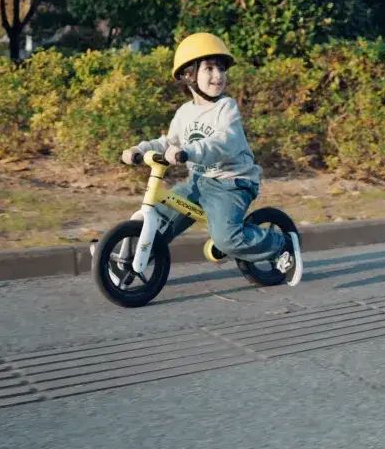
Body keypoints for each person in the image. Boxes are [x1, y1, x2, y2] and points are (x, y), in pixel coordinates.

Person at [122, 33, 303, 285]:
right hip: (199, 180)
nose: (218, 75)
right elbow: (168, 142)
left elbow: (223, 142)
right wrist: (138, 149)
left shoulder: (226, 108)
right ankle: (126, 260)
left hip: (231, 182)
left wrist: (190, 152)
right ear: (189, 75)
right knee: (161, 216)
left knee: (226, 238)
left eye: (221, 68)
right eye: (209, 68)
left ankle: (281, 244)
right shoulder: (185, 112)